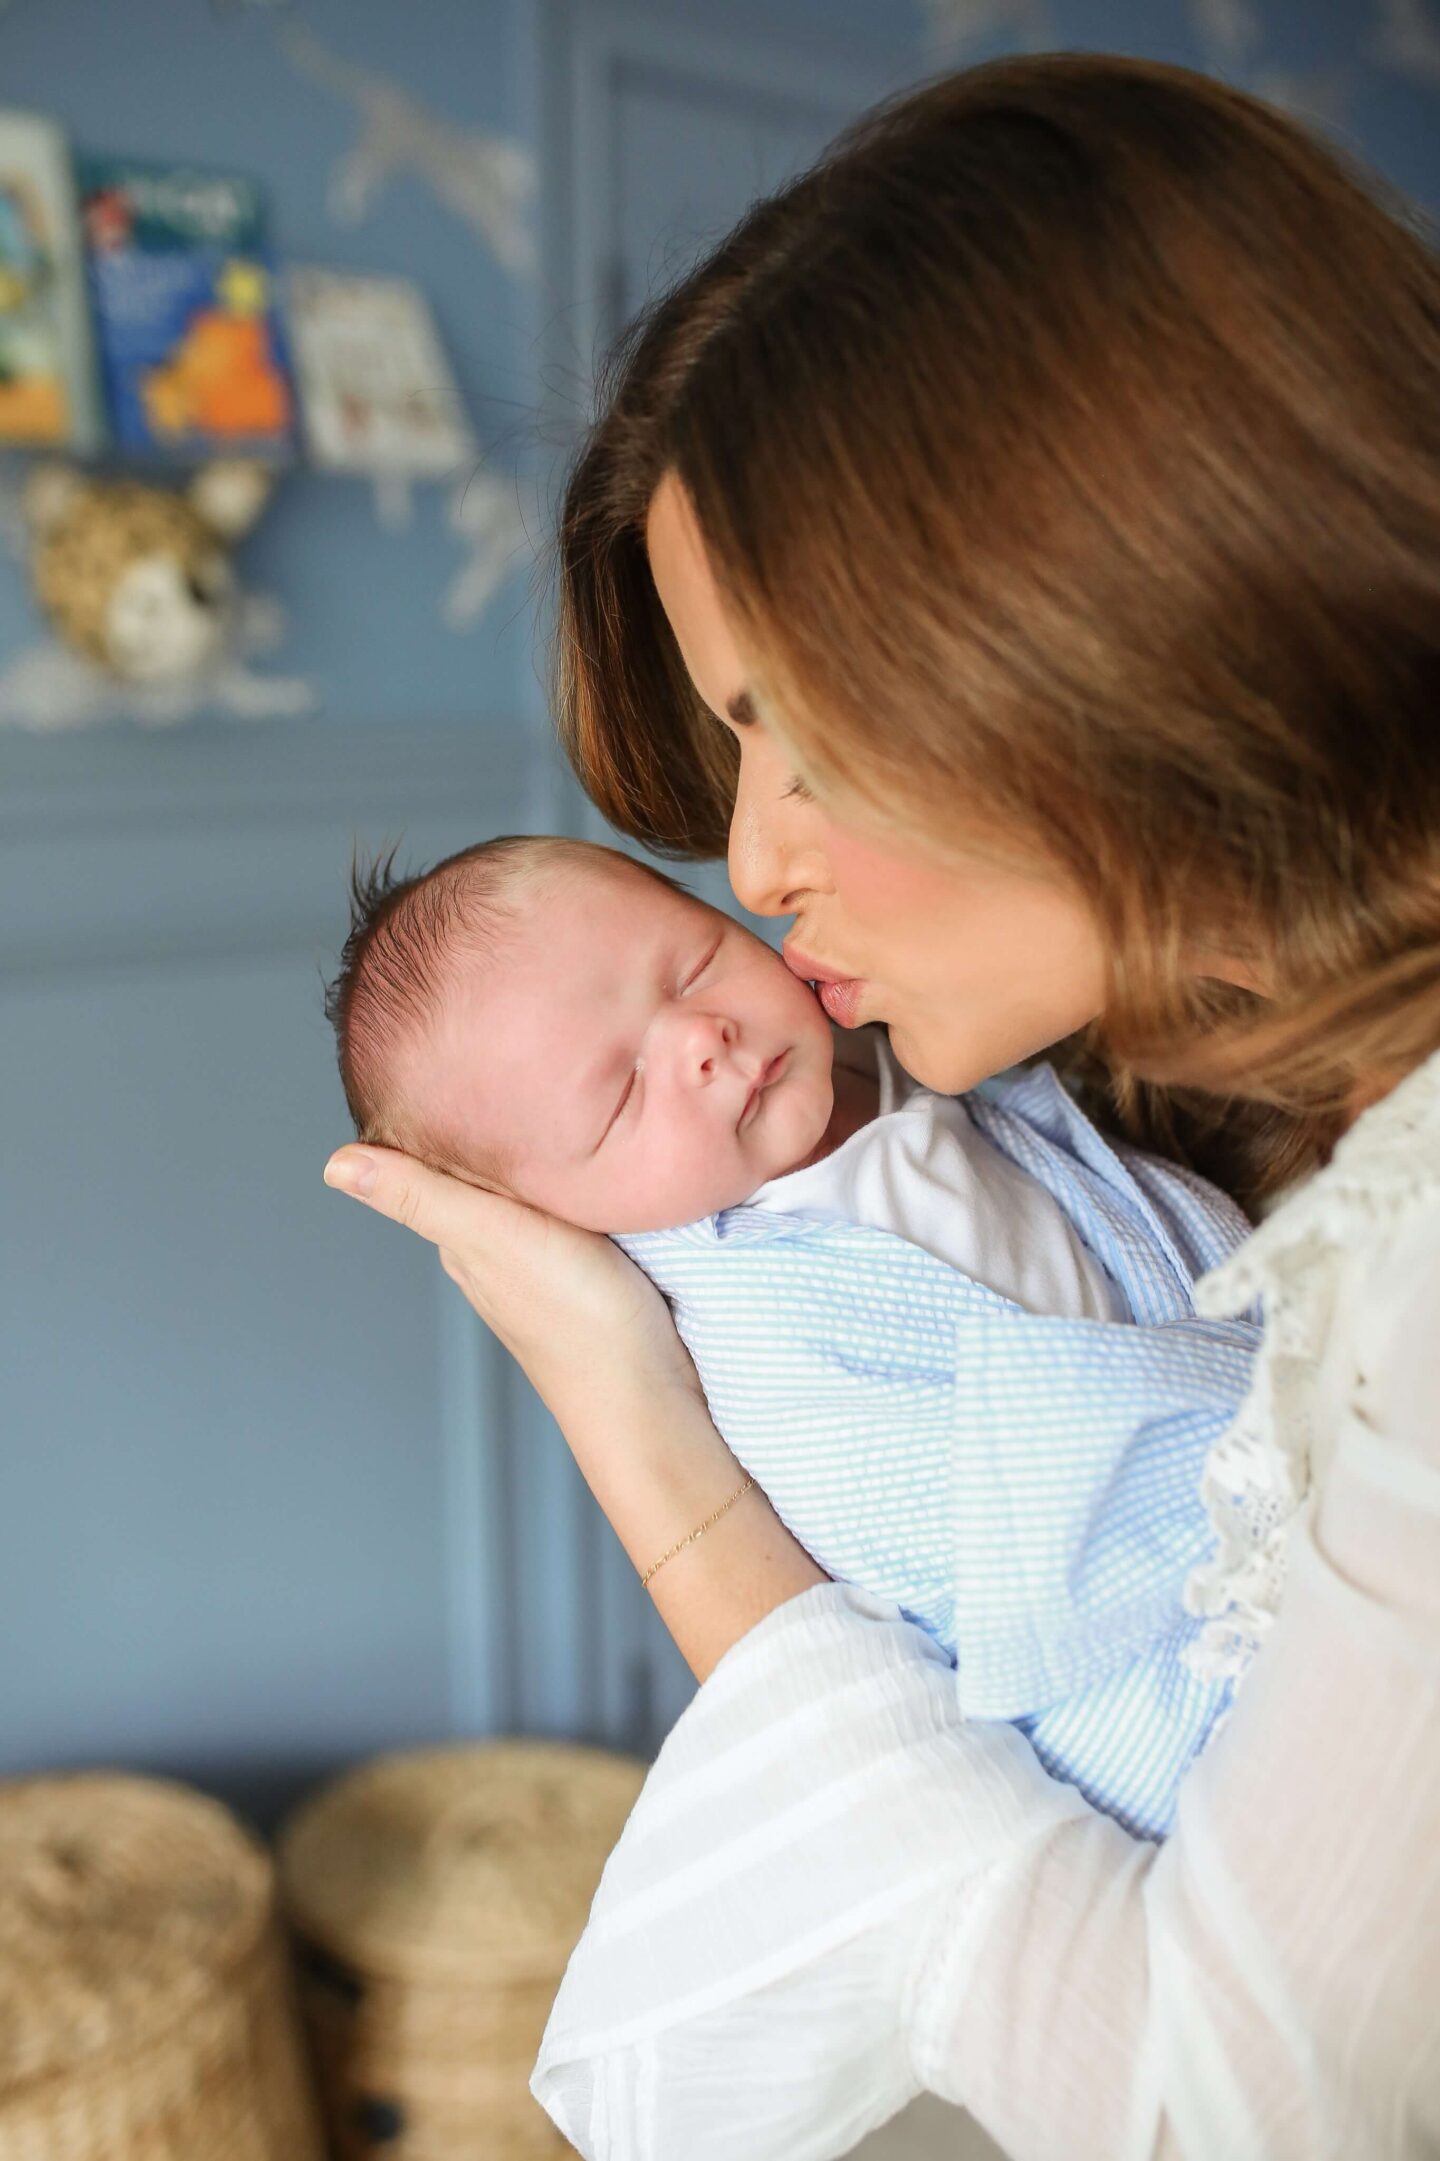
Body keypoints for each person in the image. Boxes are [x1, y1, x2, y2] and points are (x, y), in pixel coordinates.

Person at [322, 52, 1440, 2161]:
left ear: (1114, 636)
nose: (748, 866)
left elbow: (1216, 2108)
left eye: (796, 734)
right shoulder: (1205, 1112)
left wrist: (655, 1468)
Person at [324, 833, 1258, 1836]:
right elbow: (934, 1518)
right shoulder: (757, 1318)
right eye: (623, 1093)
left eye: (692, 964)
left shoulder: (925, 1063)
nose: (700, 1036)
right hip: (1150, 1665)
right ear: (547, 1212)